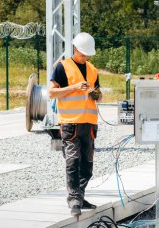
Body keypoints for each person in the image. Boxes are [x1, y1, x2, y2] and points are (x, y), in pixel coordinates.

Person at [48, 32, 102, 216]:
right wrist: (75, 87)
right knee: (73, 162)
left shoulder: (93, 69)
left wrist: (94, 94)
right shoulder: (62, 67)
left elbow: (99, 95)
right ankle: (74, 201)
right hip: (70, 124)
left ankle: (79, 196)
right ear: (75, 48)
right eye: (82, 53)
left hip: (89, 124)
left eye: (88, 54)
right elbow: (51, 93)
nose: (85, 56)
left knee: (87, 166)